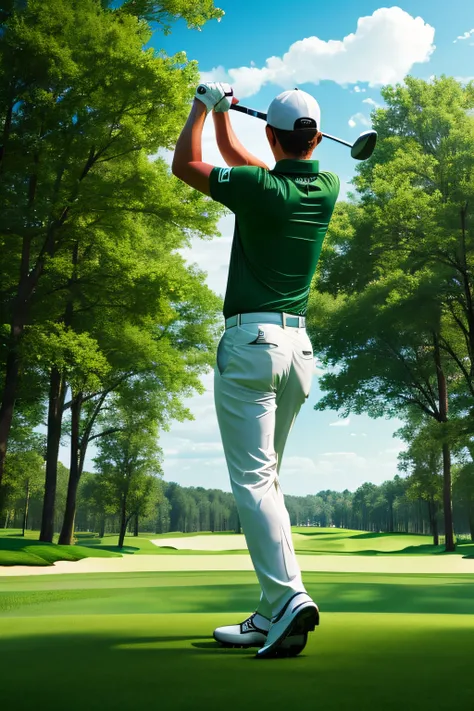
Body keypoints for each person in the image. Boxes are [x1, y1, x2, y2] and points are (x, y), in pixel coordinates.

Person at [172, 82, 340, 658]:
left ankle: (290, 596)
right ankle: (270, 612)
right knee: (267, 481)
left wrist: (201, 107)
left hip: (250, 347)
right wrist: (224, 119)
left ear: (271, 135)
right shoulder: (326, 186)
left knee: (252, 482)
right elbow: (245, 161)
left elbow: (185, 164)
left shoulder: (255, 187)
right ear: (315, 137)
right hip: (299, 354)